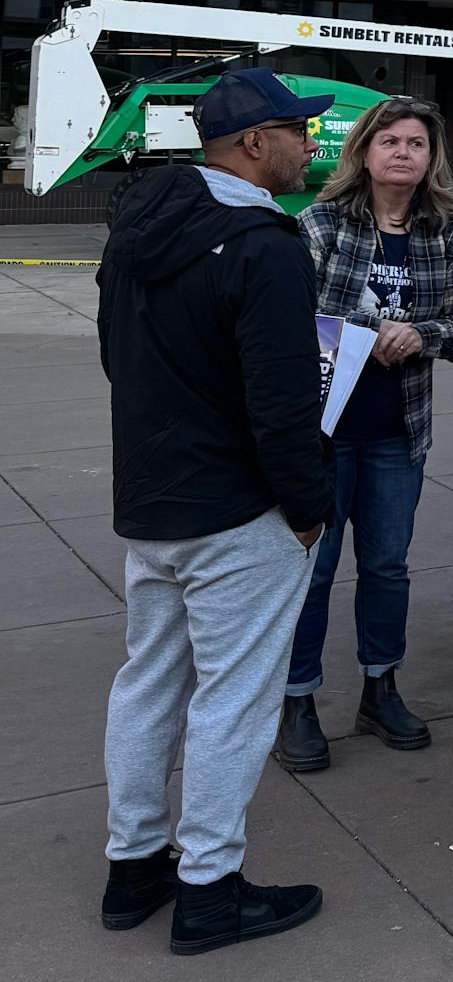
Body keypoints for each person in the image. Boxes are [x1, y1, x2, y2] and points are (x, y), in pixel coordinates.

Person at [97, 68, 335, 955]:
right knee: (233, 700)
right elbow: (284, 400)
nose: (311, 144)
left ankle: (133, 868)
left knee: (148, 682)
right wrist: (307, 506)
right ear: (253, 144)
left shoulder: (137, 231)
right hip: (239, 510)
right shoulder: (265, 245)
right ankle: (208, 890)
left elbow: (117, 358)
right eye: (299, 131)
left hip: (152, 500)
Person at [278, 97, 453, 771]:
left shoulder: (446, 233)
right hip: (323, 432)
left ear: (431, 159)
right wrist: (365, 332)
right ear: (365, 152)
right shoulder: (319, 225)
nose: (403, 152)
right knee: (312, 570)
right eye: (390, 140)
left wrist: (422, 335)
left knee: (388, 566)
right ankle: (297, 700)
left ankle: (380, 688)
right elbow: (286, 316)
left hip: (398, 434)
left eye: (416, 144)